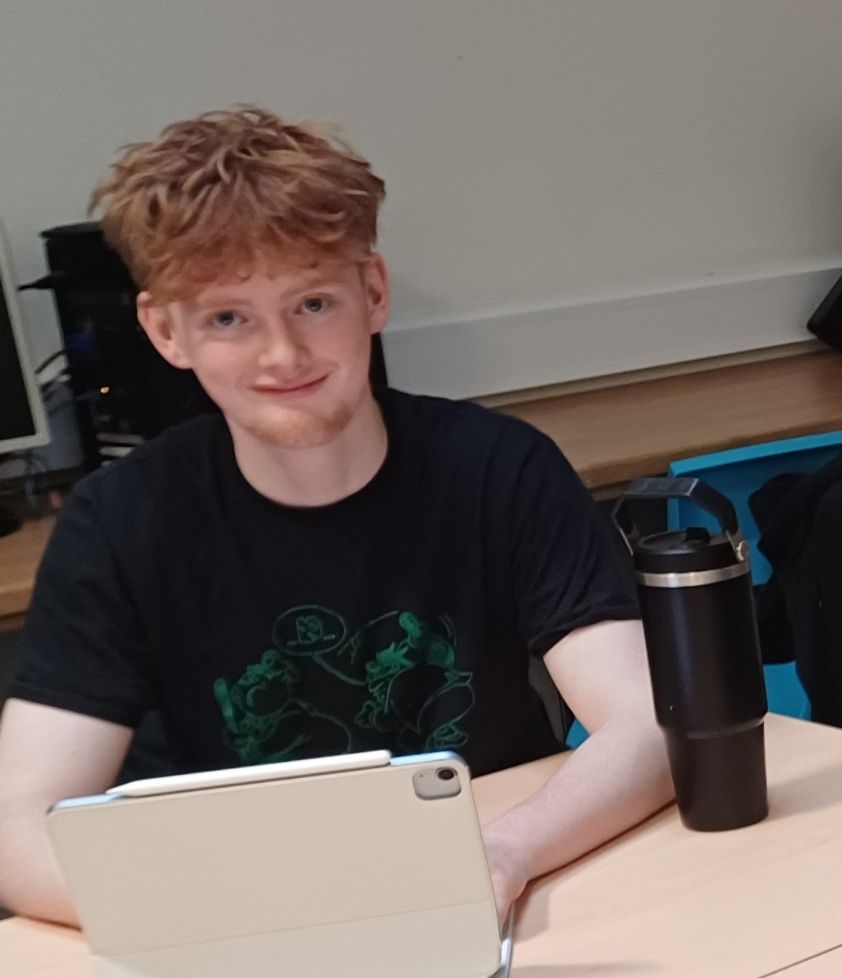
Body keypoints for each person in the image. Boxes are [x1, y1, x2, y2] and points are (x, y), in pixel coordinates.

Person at [0, 108, 672, 927]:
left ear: (374, 293)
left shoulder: (499, 468)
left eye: (313, 302)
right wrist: (239, 916)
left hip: (501, 898)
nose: (282, 354)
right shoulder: (120, 522)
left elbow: (648, 722)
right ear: (164, 331)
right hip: (229, 928)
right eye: (227, 318)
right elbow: (19, 831)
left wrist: (502, 854)